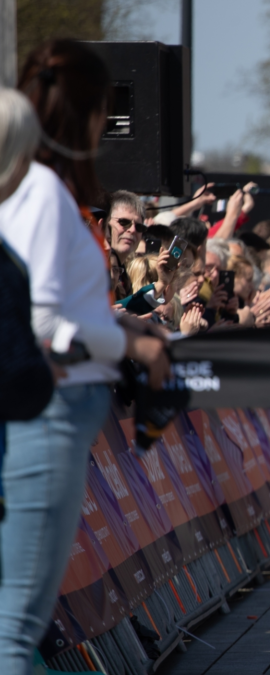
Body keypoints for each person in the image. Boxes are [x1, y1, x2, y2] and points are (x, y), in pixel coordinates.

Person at [0, 45, 170, 675]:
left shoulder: (35, 189)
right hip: (50, 413)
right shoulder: (42, 192)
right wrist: (129, 342)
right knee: (15, 629)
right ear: (90, 113)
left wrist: (117, 323)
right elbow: (43, 322)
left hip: (54, 410)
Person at [103, 190, 147, 299]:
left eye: (139, 227)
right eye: (124, 222)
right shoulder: (95, 267)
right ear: (106, 222)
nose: (132, 230)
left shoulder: (124, 275)